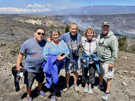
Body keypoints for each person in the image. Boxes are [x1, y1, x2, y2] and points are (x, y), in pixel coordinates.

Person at [16, 27, 46, 101]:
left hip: (41, 68)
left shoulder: (45, 42)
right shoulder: (27, 43)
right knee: (29, 83)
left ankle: (39, 91)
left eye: (43, 34)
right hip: (30, 69)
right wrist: (18, 65)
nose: (41, 35)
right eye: (39, 33)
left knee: (40, 81)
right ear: (34, 34)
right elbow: (20, 54)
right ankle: (29, 95)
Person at [42, 31, 69, 101]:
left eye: (56, 35)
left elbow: (67, 52)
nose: (55, 36)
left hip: (60, 63)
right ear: (51, 36)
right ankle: (53, 94)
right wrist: (54, 58)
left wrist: (62, 58)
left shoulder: (62, 43)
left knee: (55, 76)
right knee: (53, 77)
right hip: (51, 64)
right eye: (53, 35)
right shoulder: (48, 44)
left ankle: (50, 89)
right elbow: (44, 55)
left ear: (59, 35)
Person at [96, 22, 118, 101]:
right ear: (101, 27)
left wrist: (112, 61)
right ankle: (101, 84)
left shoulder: (113, 38)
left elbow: (115, 50)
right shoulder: (100, 35)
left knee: (109, 76)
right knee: (100, 73)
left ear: (108, 28)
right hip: (100, 60)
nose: (105, 28)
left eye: (106, 27)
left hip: (108, 60)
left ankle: (107, 92)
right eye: (103, 27)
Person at [60, 23, 81, 91]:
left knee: (76, 71)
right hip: (68, 57)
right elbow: (58, 41)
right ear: (69, 29)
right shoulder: (65, 36)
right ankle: (67, 84)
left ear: (77, 30)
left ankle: (75, 84)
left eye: (75, 29)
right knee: (68, 72)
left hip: (76, 57)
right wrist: (50, 40)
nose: (74, 30)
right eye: (72, 29)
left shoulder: (79, 36)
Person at [80, 27, 97, 94]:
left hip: (93, 60)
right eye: (88, 33)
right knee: (84, 73)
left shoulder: (96, 41)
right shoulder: (83, 40)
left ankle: (90, 86)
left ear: (93, 34)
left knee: (92, 73)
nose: (89, 34)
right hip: (85, 60)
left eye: (91, 33)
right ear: (86, 34)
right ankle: (86, 85)